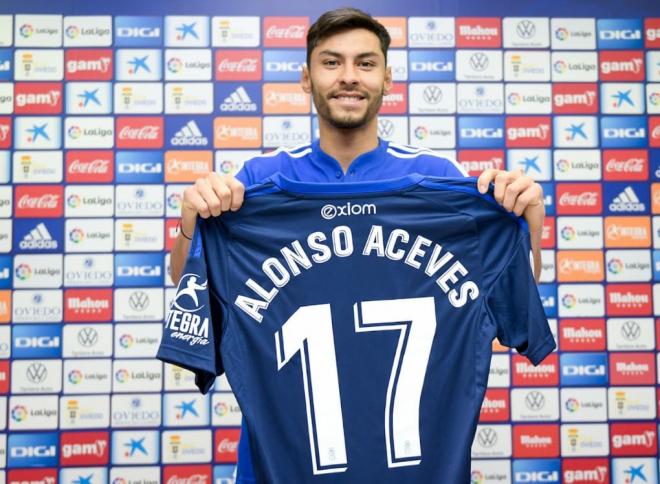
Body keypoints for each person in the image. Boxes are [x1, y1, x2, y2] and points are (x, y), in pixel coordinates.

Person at [169, 8, 546, 483]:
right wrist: (191, 226)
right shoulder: (254, 186)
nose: (349, 77)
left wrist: (529, 227)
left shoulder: (444, 185)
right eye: (331, 63)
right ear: (307, 79)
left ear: (388, 78)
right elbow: (191, 286)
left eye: (365, 63)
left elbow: (506, 299)